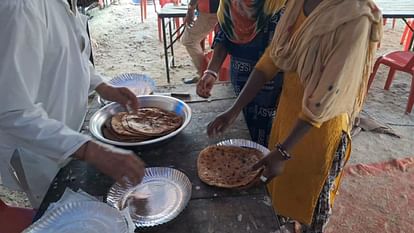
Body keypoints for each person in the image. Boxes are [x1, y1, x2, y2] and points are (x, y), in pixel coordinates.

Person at [207, 0, 382, 231]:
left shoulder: (354, 16)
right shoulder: (298, 3)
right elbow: (272, 59)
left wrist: (282, 152)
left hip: (318, 133)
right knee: (278, 196)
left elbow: (325, 98)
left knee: (310, 207)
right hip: (287, 119)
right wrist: (234, 111)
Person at [0, 0, 145, 208]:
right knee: (59, 209)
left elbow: (70, 51)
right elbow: (12, 111)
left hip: (69, 133)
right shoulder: (21, 8)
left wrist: (101, 85)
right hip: (37, 149)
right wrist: (92, 151)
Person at [197, 0, 286, 146]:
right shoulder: (230, 2)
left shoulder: (281, 5)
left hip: (271, 85)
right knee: (240, 129)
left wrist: (234, 110)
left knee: (264, 136)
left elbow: (275, 58)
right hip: (239, 78)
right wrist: (212, 71)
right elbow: (224, 34)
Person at [181, 0, 220, 84]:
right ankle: (204, 73)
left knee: (189, 41)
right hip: (213, 8)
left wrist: (191, 8)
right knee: (191, 40)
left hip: (210, 8)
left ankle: (205, 74)